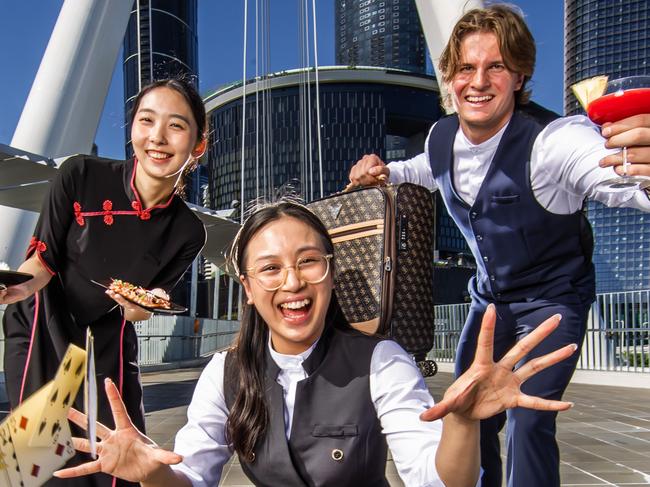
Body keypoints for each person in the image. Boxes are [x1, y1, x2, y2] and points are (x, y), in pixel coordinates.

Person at [53, 201, 577, 487]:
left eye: (308, 261)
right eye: (271, 269)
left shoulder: (381, 361)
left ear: (330, 273)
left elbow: (439, 482)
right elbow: (189, 475)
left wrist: (462, 423)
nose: (293, 282)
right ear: (249, 289)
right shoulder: (224, 372)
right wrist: (152, 475)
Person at [348, 5, 650, 487]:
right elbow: (427, 168)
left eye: (497, 67)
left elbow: (616, 176)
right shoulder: (443, 134)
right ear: (449, 75)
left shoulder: (555, 142)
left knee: (529, 421)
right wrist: (384, 171)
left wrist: (642, 170)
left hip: (552, 304)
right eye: (466, 67)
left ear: (520, 74)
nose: (479, 81)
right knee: (468, 414)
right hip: (489, 304)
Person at [0, 78, 208, 486]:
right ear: (132, 129)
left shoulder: (189, 231)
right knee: (34, 460)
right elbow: (41, 262)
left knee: (118, 452)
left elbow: (149, 302)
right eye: (147, 120)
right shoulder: (79, 174)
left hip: (109, 332)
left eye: (177, 126)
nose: (158, 137)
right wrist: (17, 287)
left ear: (198, 144)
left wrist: (139, 307)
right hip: (44, 319)